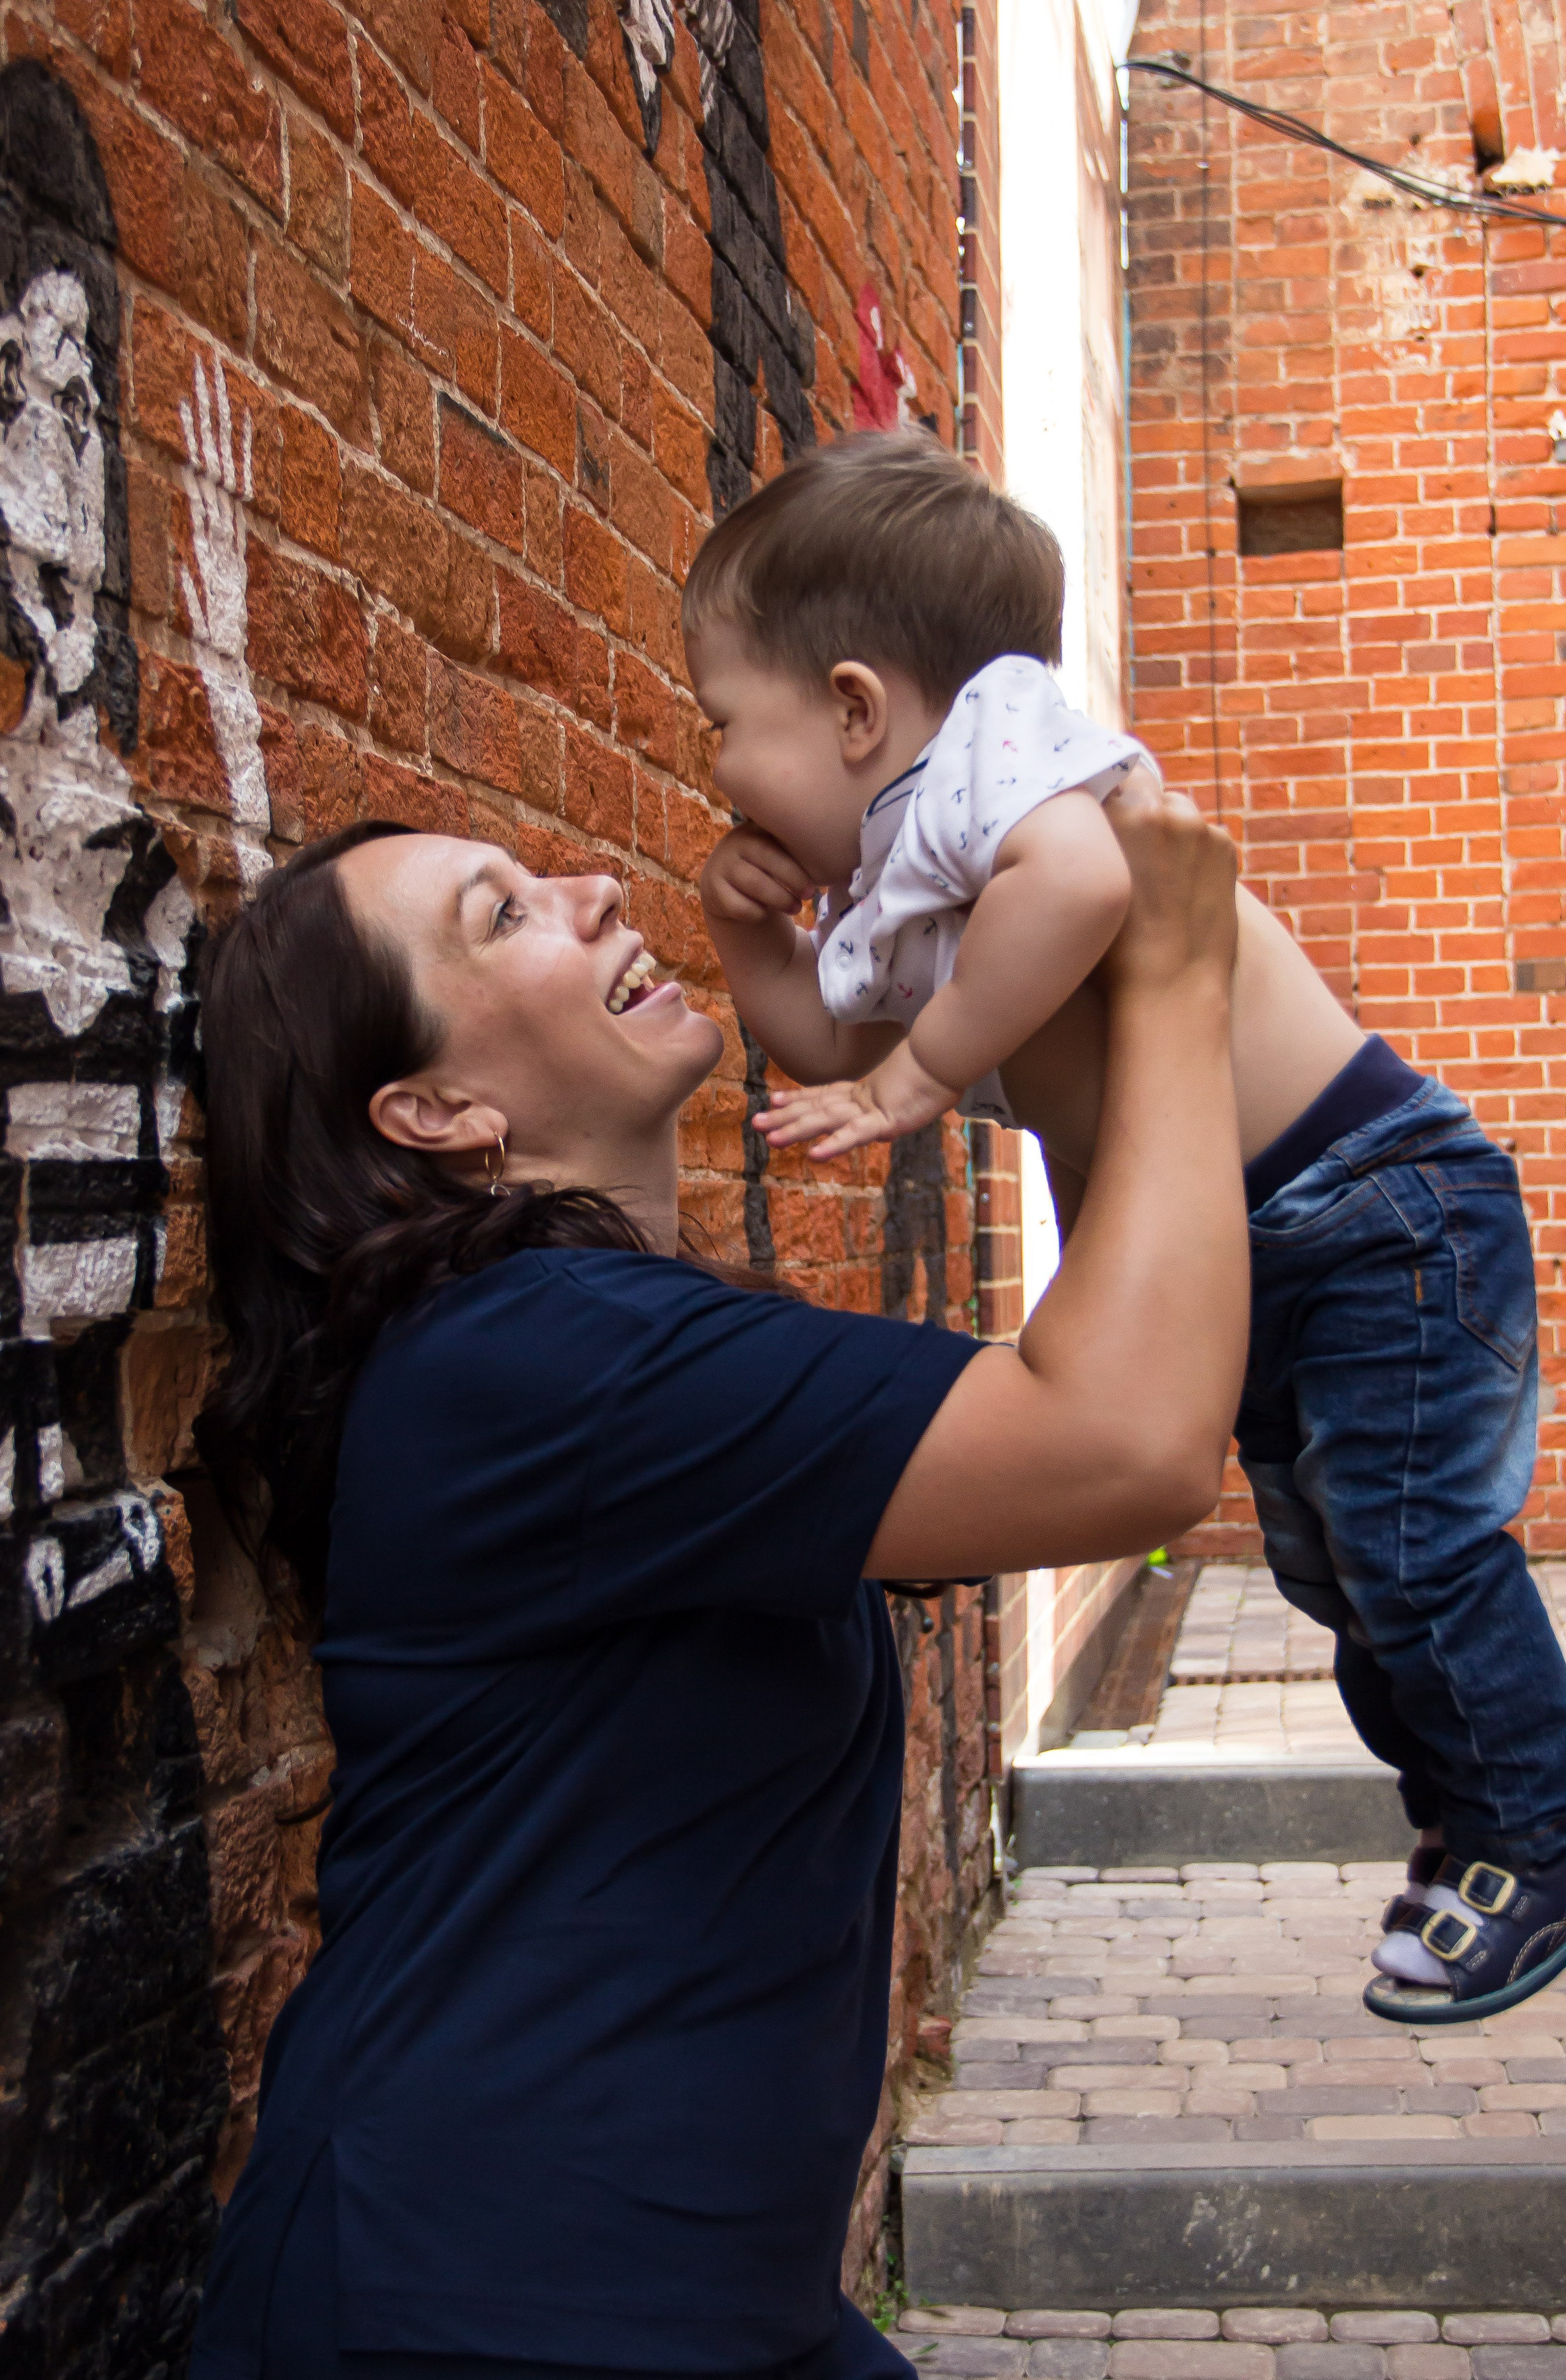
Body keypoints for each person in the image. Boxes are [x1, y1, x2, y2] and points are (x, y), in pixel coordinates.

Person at [187, 782, 1247, 2380]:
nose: (595, 885)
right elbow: (1135, 1440)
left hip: (674, 2302)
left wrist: (1035, 983)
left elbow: (1100, 1375)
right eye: (504, 910)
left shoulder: (585, 1350)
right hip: (475, 2310)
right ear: (433, 1109)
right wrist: (1173, 976)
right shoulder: (541, 1359)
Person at [683, 428, 1566, 2026]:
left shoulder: (1000, 749)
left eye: (727, 725)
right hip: (1269, 1241)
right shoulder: (895, 878)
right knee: (1341, 1579)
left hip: (1376, 1203)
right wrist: (743, 928)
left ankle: (1535, 1829)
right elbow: (822, 1041)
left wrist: (922, 1081)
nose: (718, 769)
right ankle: (1486, 1805)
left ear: (856, 706)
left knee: (1409, 1553)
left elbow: (1089, 887)